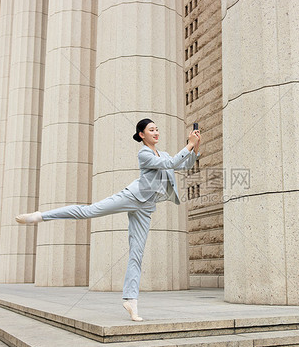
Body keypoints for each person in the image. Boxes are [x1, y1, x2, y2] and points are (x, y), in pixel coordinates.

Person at [16, 118, 201, 321]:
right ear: (142, 135)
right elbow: (170, 163)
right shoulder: (144, 154)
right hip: (132, 197)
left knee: (136, 254)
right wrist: (189, 144)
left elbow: (184, 165)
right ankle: (40, 216)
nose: (156, 132)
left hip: (146, 208)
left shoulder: (164, 154)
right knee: (89, 211)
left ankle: (131, 301)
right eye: (151, 130)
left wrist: (195, 145)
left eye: (157, 129)